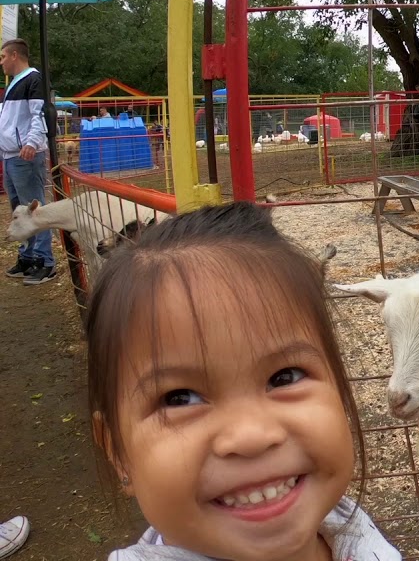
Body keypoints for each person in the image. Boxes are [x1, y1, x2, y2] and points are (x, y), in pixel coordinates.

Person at [85, 201, 401, 560]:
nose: (251, 436)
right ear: (119, 454)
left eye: (284, 377)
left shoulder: (348, 527)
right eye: (179, 398)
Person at [1, 39, 56, 285]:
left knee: (33, 208)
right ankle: (27, 256)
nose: (1, 61)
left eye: (3, 56)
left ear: (14, 55)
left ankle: (45, 260)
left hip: (25, 155)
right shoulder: (15, 83)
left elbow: (39, 114)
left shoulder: (33, 80)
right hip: (11, 154)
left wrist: (32, 142)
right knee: (20, 210)